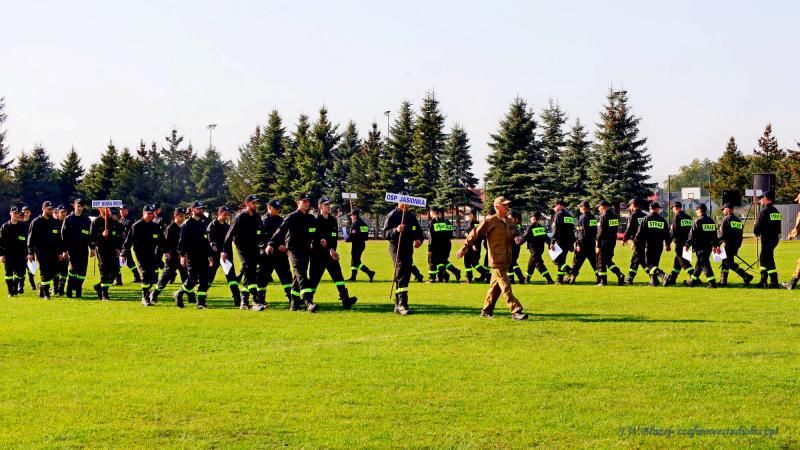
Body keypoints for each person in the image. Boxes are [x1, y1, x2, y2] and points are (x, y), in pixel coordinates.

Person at [456, 196, 528, 320]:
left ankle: (486, 311)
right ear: (497, 207)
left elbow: (516, 233)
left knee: (495, 287)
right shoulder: (491, 221)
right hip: (496, 260)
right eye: (504, 205)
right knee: (505, 285)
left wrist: (518, 237)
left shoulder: (510, 221)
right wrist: (464, 247)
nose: (507, 207)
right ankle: (516, 310)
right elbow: (475, 233)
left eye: (507, 205)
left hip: (507, 258)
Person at [267, 193, 320, 312]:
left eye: (308, 201)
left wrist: (320, 239)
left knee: (297, 276)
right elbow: (280, 230)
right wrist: (271, 243)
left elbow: (315, 232)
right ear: (298, 203)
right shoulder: (292, 217)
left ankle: (294, 303)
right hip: (293, 250)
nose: (306, 203)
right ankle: (308, 301)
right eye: (304, 201)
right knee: (301, 273)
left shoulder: (311, 218)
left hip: (306, 250)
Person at [309, 197, 358, 309]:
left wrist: (332, 249)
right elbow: (314, 237)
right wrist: (328, 248)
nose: (329, 206)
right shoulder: (315, 220)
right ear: (320, 207)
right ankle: (308, 301)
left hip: (331, 254)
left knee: (338, 277)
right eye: (326, 205)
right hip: (318, 255)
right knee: (314, 279)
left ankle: (345, 300)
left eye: (329, 204)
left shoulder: (333, 220)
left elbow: (333, 237)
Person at [382, 193, 424, 315]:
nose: (407, 204)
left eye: (408, 202)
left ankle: (397, 303)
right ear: (399, 202)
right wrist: (396, 230)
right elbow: (385, 234)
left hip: (408, 248)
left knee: (406, 273)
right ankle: (402, 304)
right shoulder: (392, 215)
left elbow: (418, 231)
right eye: (404, 201)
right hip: (396, 248)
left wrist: (419, 239)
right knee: (401, 273)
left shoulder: (411, 216)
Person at [223, 195, 265, 311]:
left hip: (254, 248)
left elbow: (261, 232)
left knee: (250, 272)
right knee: (249, 269)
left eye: (256, 203)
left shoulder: (257, 217)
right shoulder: (241, 217)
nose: (255, 205)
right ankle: (256, 300)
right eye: (253, 203)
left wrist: (263, 245)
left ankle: (244, 301)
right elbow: (229, 234)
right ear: (247, 204)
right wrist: (224, 250)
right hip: (243, 248)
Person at [123, 204, 165, 306]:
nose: (151, 215)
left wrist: (167, 251)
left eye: (152, 213)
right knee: (145, 274)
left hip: (152, 254)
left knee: (153, 277)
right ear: (143, 213)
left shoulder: (155, 226)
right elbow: (128, 241)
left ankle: (148, 293)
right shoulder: (136, 226)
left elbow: (162, 241)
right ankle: (145, 298)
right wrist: (124, 253)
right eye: (148, 213)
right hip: (140, 255)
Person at [174, 201, 214, 309]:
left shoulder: (202, 223)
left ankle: (201, 303)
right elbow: (182, 241)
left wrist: (210, 255)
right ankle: (179, 293)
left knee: (204, 279)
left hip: (203, 256)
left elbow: (206, 241)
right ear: (192, 210)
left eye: (202, 208)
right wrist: (182, 256)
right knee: (193, 279)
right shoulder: (186, 224)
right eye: (199, 208)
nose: (201, 210)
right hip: (192, 256)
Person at [258, 199, 295, 308]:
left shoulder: (281, 220)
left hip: (280, 254)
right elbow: (261, 238)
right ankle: (261, 299)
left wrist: (285, 246)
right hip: (267, 254)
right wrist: (276, 245)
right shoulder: (262, 221)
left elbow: (285, 235)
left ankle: (292, 299)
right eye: (276, 208)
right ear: (269, 207)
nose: (278, 210)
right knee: (263, 277)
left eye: (279, 208)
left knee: (286, 276)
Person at [208, 206, 245, 309]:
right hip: (215, 256)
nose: (226, 216)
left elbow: (233, 239)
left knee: (231, 278)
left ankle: (237, 298)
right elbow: (211, 243)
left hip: (227, 256)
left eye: (227, 214)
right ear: (219, 213)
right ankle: (202, 295)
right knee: (209, 276)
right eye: (224, 214)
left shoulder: (227, 226)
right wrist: (220, 252)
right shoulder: (212, 226)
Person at [27, 201, 64, 299]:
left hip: (54, 251)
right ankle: (46, 293)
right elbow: (30, 238)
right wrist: (30, 252)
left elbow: (59, 239)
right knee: (44, 271)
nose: (50, 211)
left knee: (55, 271)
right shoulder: (36, 222)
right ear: (43, 209)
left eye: (51, 209)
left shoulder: (54, 222)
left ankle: (41, 286)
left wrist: (60, 252)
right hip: (41, 251)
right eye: (48, 209)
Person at [152, 207, 188, 303]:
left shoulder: (185, 227)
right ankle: (154, 294)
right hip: (172, 257)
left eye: (184, 216)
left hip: (182, 257)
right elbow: (165, 244)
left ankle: (191, 297)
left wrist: (184, 254)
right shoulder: (171, 228)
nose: (183, 218)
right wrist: (168, 253)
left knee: (186, 277)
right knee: (166, 277)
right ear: (175, 216)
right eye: (181, 216)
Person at [60, 198, 92, 298]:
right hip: (72, 249)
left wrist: (92, 248)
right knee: (73, 270)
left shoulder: (87, 220)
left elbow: (90, 236)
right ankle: (69, 290)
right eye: (78, 206)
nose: (79, 208)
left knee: (82, 272)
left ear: (83, 207)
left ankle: (78, 291)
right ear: (74, 206)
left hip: (83, 249)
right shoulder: (68, 219)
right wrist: (64, 250)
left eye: (81, 206)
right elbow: (63, 235)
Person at [89, 207, 123, 301]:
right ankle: (105, 294)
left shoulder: (113, 222)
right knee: (104, 270)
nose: (108, 212)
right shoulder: (96, 222)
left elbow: (119, 236)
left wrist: (118, 248)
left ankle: (99, 286)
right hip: (101, 249)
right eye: (106, 210)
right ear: (100, 210)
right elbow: (92, 237)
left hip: (112, 249)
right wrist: (102, 235)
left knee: (115, 270)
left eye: (108, 210)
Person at [634, 202, 670, 286]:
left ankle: (663, 275)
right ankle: (654, 281)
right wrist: (667, 244)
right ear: (657, 209)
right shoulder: (662, 220)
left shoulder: (646, 218)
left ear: (650, 209)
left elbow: (640, 232)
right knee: (655, 263)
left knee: (649, 264)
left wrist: (635, 242)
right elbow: (667, 234)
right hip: (659, 245)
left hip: (649, 244)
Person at [684, 203, 720, 288]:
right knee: (699, 264)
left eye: (696, 210)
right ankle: (692, 282)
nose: (696, 212)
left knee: (704, 264)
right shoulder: (711, 221)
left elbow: (692, 235)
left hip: (700, 247)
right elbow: (714, 235)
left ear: (699, 210)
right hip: (708, 247)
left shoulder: (697, 221)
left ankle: (712, 283)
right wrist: (716, 246)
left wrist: (687, 244)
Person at [718, 203, 753, 286]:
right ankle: (723, 281)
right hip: (736, 245)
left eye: (723, 210)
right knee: (725, 262)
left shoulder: (726, 219)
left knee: (729, 263)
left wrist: (716, 245)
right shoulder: (738, 221)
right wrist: (738, 245)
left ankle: (746, 276)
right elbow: (740, 235)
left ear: (727, 209)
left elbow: (722, 235)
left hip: (728, 245)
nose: (723, 212)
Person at [753, 190, 782, 288]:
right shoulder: (776, 211)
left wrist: (755, 227)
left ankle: (773, 282)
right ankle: (763, 280)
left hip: (767, 238)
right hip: (775, 238)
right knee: (764, 257)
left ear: (765, 199)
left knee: (767, 258)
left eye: (761, 198)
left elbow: (758, 227)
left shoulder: (764, 211)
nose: (760, 200)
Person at [663, 201, 695, 286]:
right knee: (677, 262)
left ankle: (695, 278)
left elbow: (673, 232)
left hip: (679, 243)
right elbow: (691, 232)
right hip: (687, 244)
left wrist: (668, 244)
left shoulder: (676, 217)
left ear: (676, 208)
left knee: (684, 262)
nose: (672, 210)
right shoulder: (688, 217)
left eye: (673, 208)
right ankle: (673, 279)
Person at [567, 200, 598, 284]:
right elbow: (595, 231)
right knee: (594, 262)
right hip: (591, 243)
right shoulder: (593, 217)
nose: (579, 208)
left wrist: (578, 244)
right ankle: (599, 277)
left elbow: (581, 233)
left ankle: (572, 278)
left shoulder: (582, 217)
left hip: (583, 244)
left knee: (576, 261)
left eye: (580, 207)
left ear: (584, 207)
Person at [595, 200, 625, 286]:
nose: (599, 209)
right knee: (608, 261)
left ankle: (603, 282)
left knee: (601, 262)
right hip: (612, 242)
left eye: (599, 207)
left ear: (603, 207)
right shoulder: (614, 216)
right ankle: (619, 274)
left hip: (604, 242)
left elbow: (600, 233)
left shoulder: (603, 216)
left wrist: (598, 245)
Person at [427, 206, 460, 283]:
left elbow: (431, 237)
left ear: (432, 213)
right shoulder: (446, 221)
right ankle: (445, 275)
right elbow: (450, 234)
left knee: (433, 261)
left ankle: (433, 278)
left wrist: (430, 248)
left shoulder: (432, 222)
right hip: (446, 245)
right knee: (442, 261)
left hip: (436, 246)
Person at [0, 206, 28, 296]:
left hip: (21, 253)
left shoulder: (23, 226)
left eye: (17, 213)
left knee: (21, 273)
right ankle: (10, 291)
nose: (16, 215)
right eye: (14, 213)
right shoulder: (5, 227)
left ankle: (15, 285)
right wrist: (1, 255)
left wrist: (28, 253)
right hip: (8, 254)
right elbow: (0, 242)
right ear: (10, 214)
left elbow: (26, 240)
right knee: (8, 273)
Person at [522, 212, 553, 284]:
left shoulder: (530, 227)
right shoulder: (541, 227)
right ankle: (527, 279)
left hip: (533, 250)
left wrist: (517, 243)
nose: (530, 219)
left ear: (534, 218)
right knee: (531, 264)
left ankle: (549, 279)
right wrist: (549, 244)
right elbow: (546, 238)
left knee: (538, 264)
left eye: (531, 217)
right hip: (541, 249)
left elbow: (524, 237)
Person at [345, 209, 376, 282]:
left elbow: (353, 236)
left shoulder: (355, 224)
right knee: (354, 260)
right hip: (362, 244)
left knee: (356, 261)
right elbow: (365, 236)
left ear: (355, 216)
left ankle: (370, 272)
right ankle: (353, 277)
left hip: (356, 245)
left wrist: (347, 239)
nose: (351, 217)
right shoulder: (363, 223)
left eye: (351, 215)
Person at [622, 198, 647, 285]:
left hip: (637, 240)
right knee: (642, 261)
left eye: (630, 205)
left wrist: (625, 238)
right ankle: (653, 277)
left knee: (635, 260)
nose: (629, 207)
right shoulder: (644, 215)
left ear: (633, 205)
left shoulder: (633, 215)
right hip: (644, 241)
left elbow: (629, 228)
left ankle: (629, 279)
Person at [550, 199, 575, 284]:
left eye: (554, 206)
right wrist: (571, 243)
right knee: (562, 260)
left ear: (559, 205)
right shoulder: (569, 216)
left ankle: (571, 271)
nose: (554, 208)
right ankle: (559, 280)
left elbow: (556, 230)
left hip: (559, 241)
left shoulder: (558, 215)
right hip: (568, 242)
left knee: (556, 260)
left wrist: (552, 242)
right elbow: (571, 231)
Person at [461, 209, 490, 283]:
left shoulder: (470, 224)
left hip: (471, 246)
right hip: (478, 245)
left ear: (472, 215)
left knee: (467, 262)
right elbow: (483, 236)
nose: (467, 216)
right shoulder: (479, 223)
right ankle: (486, 275)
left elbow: (471, 236)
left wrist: (472, 245)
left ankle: (469, 278)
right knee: (475, 262)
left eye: (468, 214)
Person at [116, 204, 142, 285]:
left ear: (127, 210)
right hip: (120, 243)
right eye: (120, 210)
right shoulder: (120, 219)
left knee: (119, 262)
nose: (121, 211)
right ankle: (137, 277)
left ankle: (119, 281)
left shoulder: (130, 220)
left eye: (123, 210)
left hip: (125, 244)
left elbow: (130, 233)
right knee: (129, 262)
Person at [53, 205, 69, 295]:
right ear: (58, 213)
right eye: (61, 212)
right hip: (56, 251)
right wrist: (59, 252)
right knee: (56, 270)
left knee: (64, 271)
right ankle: (55, 287)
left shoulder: (68, 222)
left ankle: (61, 288)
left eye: (65, 212)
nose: (63, 213)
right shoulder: (54, 223)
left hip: (66, 251)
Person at [506, 210, 525, 283]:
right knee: (512, 262)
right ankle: (514, 278)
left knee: (511, 262)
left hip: (513, 246)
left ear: (514, 218)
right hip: (516, 246)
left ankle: (516, 278)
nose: (509, 219)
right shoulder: (518, 225)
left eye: (510, 217)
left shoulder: (512, 225)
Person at [21, 205, 36, 291]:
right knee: (21, 267)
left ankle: (32, 282)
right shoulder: (19, 223)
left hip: (30, 248)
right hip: (20, 249)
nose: (26, 214)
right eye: (24, 212)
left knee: (31, 267)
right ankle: (21, 284)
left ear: (30, 213)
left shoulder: (32, 223)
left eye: (27, 212)